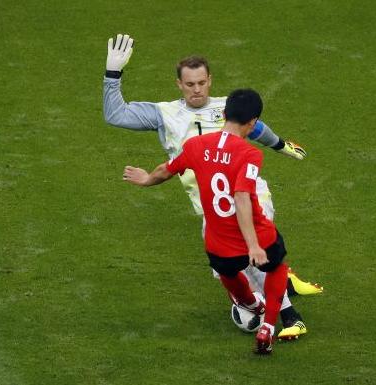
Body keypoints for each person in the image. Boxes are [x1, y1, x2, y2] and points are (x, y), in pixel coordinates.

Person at [103, 33, 322, 339]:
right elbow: (116, 115)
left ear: (210, 80)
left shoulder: (227, 107)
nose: (197, 89)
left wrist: (281, 145)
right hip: (213, 205)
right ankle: (279, 286)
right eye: (190, 84)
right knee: (236, 265)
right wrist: (113, 73)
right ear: (179, 84)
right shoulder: (164, 114)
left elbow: (256, 128)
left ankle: (284, 316)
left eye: (202, 82)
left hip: (250, 194)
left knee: (248, 260)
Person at [124, 89, 295, 354]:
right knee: (276, 267)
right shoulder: (250, 155)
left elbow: (167, 170)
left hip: (219, 242)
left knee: (227, 273)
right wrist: (252, 245)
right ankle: (268, 327)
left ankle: (250, 304)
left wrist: (146, 179)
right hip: (257, 234)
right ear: (252, 122)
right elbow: (241, 197)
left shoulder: (195, 146)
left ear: (224, 114)